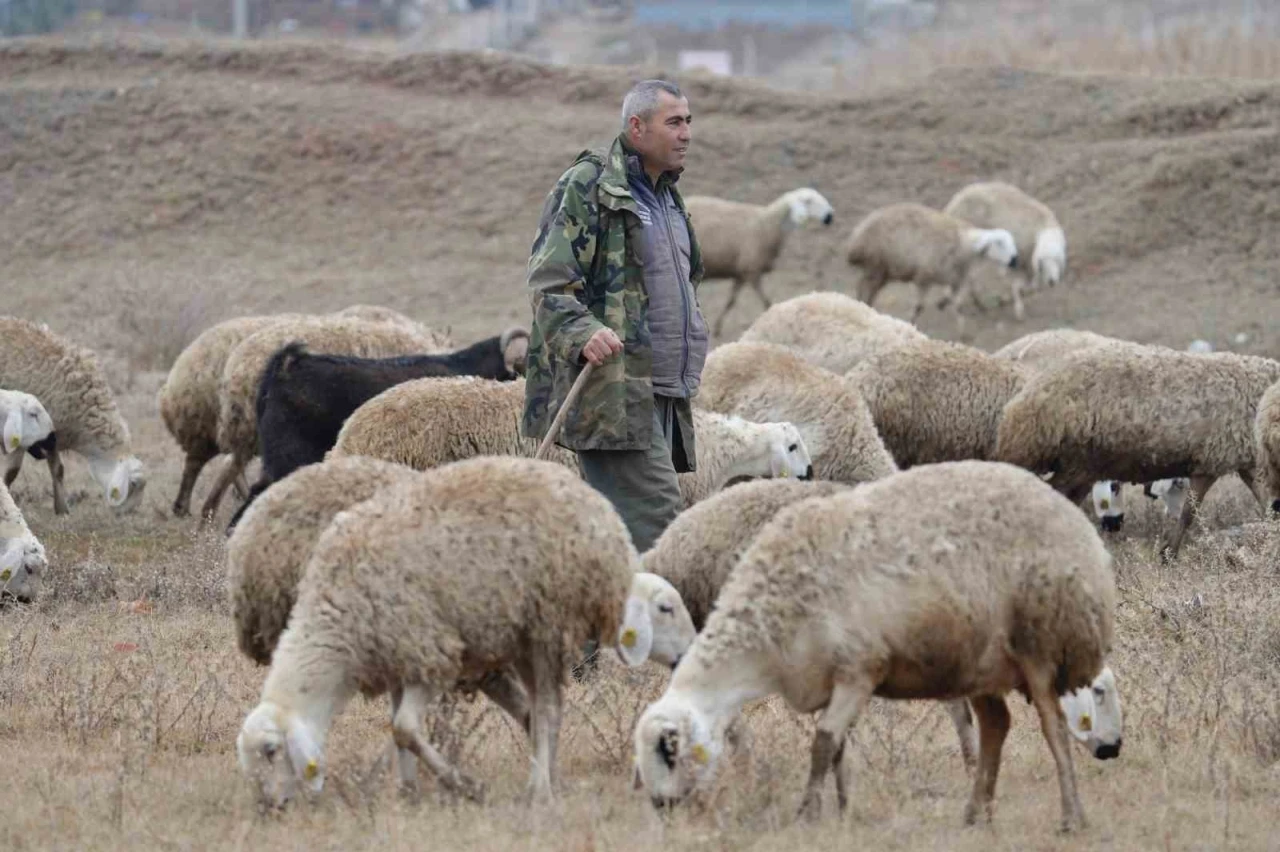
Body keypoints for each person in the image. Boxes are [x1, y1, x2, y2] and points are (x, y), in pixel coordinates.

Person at [521, 79, 709, 553]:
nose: (686, 133)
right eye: (674, 122)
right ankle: (643, 625)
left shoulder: (667, 197)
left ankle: (602, 620)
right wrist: (583, 330)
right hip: (615, 392)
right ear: (637, 127)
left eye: (688, 121)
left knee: (629, 537)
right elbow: (549, 281)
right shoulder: (589, 186)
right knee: (661, 534)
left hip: (665, 391)